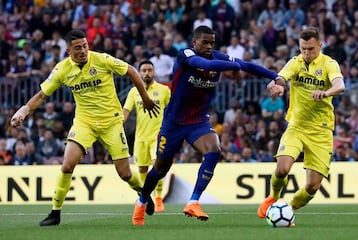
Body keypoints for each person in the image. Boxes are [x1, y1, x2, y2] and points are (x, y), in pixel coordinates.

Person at [10, 29, 160, 226]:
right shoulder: (62, 69)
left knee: (125, 174)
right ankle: (55, 212)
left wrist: (146, 98)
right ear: (68, 51)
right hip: (84, 122)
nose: (83, 51)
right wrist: (23, 111)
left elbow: (131, 70)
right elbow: (42, 95)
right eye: (78, 48)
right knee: (67, 165)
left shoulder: (101, 59)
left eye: (85, 46)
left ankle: (142, 192)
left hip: (111, 122)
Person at [132, 26, 279, 226]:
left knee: (214, 150)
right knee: (161, 167)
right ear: (195, 42)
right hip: (173, 123)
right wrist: (232, 67)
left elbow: (246, 65)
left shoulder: (217, 57)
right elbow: (202, 64)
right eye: (205, 42)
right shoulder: (185, 54)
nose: (209, 46)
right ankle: (141, 201)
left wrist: (275, 76)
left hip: (198, 121)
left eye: (212, 43)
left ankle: (193, 201)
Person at [257, 27, 345, 222]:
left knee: (312, 187)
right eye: (303, 49)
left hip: (321, 130)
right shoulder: (295, 62)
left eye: (311, 49)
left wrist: (326, 93)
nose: (306, 53)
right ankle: (274, 198)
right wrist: (279, 85)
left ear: (320, 46)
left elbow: (340, 85)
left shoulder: (329, 64)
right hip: (296, 126)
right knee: (282, 169)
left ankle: (287, 209)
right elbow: (282, 76)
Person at [123, 60, 171, 213]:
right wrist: (117, 125)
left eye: (149, 70)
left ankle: (158, 198)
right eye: (143, 70)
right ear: (138, 73)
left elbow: (171, 112)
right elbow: (126, 111)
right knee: (142, 169)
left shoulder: (164, 90)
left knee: (158, 166)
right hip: (140, 138)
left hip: (158, 136)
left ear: (154, 72)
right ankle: (145, 198)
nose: (147, 73)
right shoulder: (133, 92)